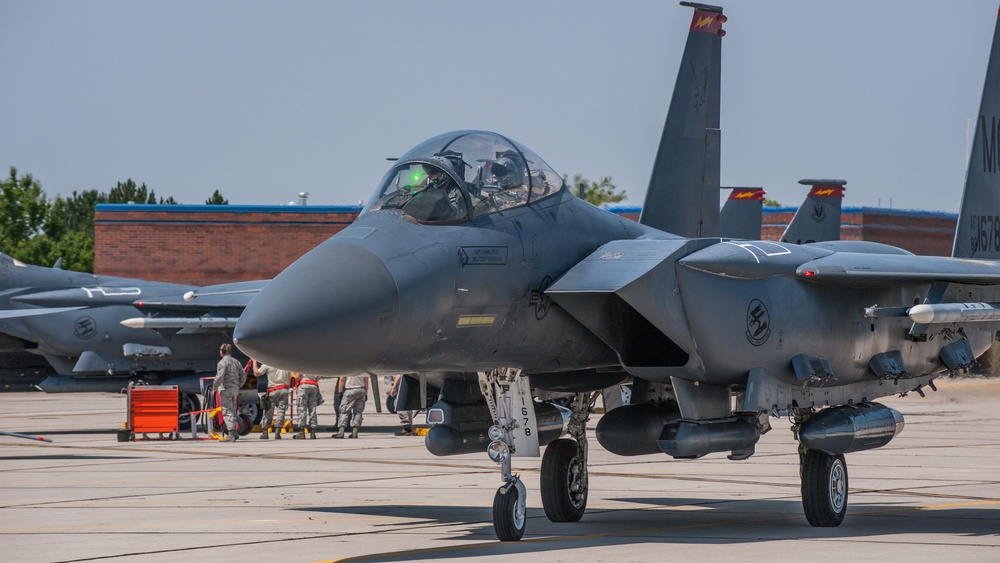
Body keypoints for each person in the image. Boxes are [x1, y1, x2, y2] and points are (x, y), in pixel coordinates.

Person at [213, 343, 246, 442]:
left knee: (227, 411)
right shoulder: (236, 362)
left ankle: (231, 434)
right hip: (235, 390)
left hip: (226, 390)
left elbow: (219, 377)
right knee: (233, 411)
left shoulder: (222, 363)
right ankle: (235, 433)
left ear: (223, 351)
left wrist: (214, 387)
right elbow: (243, 375)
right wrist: (238, 385)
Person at [253, 360, 293, 439]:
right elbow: (291, 378)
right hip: (284, 390)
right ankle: (278, 432)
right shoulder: (287, 364)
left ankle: (265, 432)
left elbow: (256, 373)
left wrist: (254, 362)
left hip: (273, 390)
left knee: (268, 411)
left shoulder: (268, 363)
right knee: (281, 411)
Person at [333, 374, 368, 439]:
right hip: (361, 390)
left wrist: (340, 392)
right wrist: (366, 393)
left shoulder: (347, 366)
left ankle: (341, 431)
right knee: (358, 412)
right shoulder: (363, 367)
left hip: (350, 390)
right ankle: (355, 432)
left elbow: (342, 379)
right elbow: (366, 380)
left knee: (344, 411)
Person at [293, 374, 321, 439]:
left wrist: (296, 384)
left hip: (304, 384)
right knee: (313, 409)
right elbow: (319, 376)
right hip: (313, 385)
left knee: (302, 408)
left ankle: (301, 432)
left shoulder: (303, 363)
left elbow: (297, 376)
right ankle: (313, 432)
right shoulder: (318, 363)